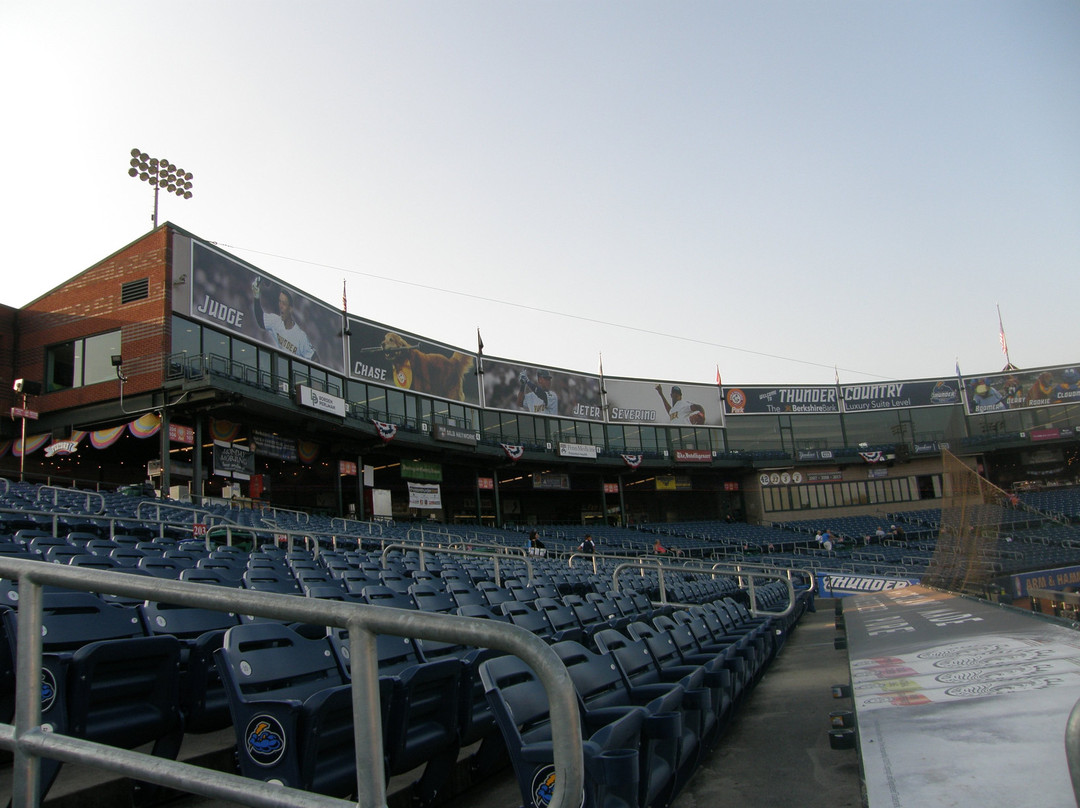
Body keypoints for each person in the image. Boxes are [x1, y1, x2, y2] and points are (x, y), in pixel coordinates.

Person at [252, 277, 319, 362]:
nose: (281, 306)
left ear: (290, 308)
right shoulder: (276, 321)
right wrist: (256, 296)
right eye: (279, 302)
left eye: (284, 303)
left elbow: (315, 358)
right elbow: (261, 321)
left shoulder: (300, 336)